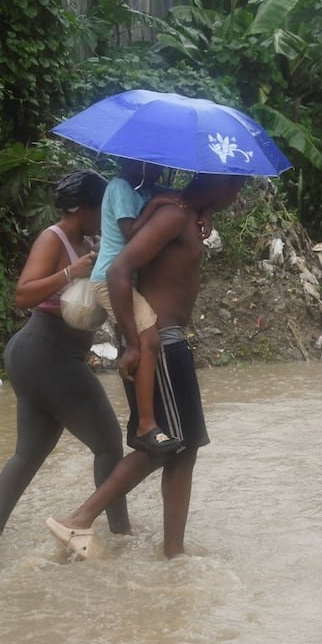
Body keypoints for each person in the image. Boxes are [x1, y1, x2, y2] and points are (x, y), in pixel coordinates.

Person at [46, 172, 246, 559]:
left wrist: (204, 212)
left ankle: (173, 552)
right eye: (236, 188)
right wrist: (135, 344)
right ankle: (80, 519)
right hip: (161, 345)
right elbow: (119, 270)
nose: (237, 197)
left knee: (180, 450)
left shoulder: (179, 211)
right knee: (163, 449)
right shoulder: (173, 215)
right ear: (219, 182)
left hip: (168, 345)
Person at [0, 170, 129, 542]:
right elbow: (23, 295)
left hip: (41, 357)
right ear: (83, 208)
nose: (105, 214)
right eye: (102, 207)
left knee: (28, 454)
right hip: (47, 351)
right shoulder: (54, 239)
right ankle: (121, 535)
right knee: (109, 444)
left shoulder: (94, 240)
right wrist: (69, 272)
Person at [89, 159, 181, 454]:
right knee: (147, 340)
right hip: (109, 279)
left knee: (146, 341)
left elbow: (182, 200)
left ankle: (140, 422)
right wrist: (156, 207)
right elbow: (131, 233)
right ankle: (146, 425)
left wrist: (202, 212)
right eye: (153, 165)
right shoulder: (119, 187)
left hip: (123, 281)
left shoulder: (145, 191)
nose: (158, 171)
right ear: (137, 164)